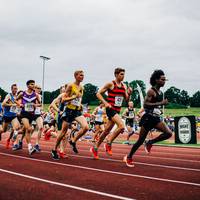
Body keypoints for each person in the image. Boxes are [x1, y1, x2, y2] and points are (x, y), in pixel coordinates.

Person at [123, 70, 172, 167]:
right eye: (162, 79)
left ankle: (150, 142)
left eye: (164, 79)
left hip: (155, 118)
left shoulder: (160, 92)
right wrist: (161, 103)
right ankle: (129, 157)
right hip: (148, 118)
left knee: (168, 133)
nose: (164, 81)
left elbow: (154, 105)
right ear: (156, 80)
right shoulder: (151, 91)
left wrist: (160, 106)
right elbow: (145, 104)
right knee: (140, 140)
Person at [90, 67, 132, 159]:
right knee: (121, 126)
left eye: (124, 74)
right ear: (116, 75)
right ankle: (108, 142)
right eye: (121, 74)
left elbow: (126, 100)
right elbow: (98, 93)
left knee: (106, 131)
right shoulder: (111, 84)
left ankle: (95, 148)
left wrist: (129, 94)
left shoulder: (124, 86)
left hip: (117, 110)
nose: (123, 76)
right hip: (110, 108)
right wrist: (105, 103)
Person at [51, 70, 89, 160]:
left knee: (86, 127)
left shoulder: (81, 87)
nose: (82, 77)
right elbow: (64, 99)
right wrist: (73, 97)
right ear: (75, 76)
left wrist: (80, 106)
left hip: (77, 111)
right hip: (69, 111)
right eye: (80, 75)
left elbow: (79, 99)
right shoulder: (70, 86)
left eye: (83, 75)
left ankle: (73, 141)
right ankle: (54, 149)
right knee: (63, 133)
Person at [16, 80, 41, 155]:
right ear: (27, 85)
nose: (33, 85)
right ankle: (30, 147)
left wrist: (35, 105)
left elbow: (39, 104)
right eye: (31, 84)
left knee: (28, 131)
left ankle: (29, 147)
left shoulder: (35, 95)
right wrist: (20, 104)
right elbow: (16, 100)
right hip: (24, 114)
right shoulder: (22, 93)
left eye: (34, 84)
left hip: (31, 114)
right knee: (29, 128)